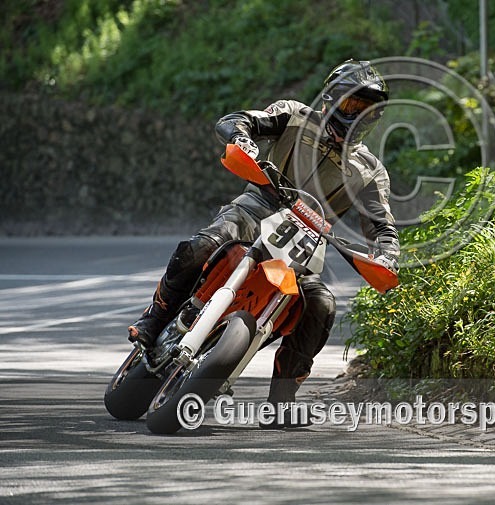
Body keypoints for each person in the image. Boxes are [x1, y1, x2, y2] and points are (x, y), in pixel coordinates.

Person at [127, 60, 400, 424]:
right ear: (332, 99)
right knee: (204, 245)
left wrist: (387, 256)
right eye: (352, 105)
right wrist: (241, 137)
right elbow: (237, 119)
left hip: (306, 241)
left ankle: (281, 404)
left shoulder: (369, 169)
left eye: (367, 109)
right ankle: (154, 318)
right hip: (255, 209)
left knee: (321, 305)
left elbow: (382, 225)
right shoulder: (293, 115)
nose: (357, 115)